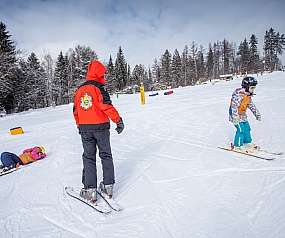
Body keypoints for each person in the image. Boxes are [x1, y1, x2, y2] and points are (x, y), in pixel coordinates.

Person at [73, 60, 124, 204]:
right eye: (103, 73)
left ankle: (90, 191)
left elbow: (76, 111)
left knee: (89, 157)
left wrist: (79, 125)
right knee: (105, 155)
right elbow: (106, 106)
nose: (104, 76)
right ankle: (108, 187)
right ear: (98, 73)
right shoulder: (99, 87)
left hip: (85, 129)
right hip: (101, 127)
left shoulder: (79, 90)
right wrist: (118, 120)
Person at [229, 76, 261, 151]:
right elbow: (234, 106)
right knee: (240, 129)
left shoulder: (247, 96)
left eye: (254, 88)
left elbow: (251, 106)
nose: (253, 90)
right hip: (235, 115)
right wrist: (235, 118)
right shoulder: (238, 95)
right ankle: (238, 145)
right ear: (246, 87)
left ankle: (247, 142)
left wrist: (257, 114)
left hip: (242, 115)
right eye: (252, 88)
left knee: (247, 128)